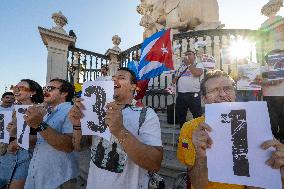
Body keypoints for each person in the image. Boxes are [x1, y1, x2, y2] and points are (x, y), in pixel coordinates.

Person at [177, 70, 284, 189]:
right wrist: (200, 156)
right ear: (204, 98)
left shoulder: (255, 125)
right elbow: (198, 184)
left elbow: (258, 182)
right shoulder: (190, 128)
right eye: (214, 90)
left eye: (227, 88)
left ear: (234, 94)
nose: (222, 94)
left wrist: (279, 169)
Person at [69, 67, 163, 189]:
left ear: (133, 86)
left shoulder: (146, 114)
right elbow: (79, 146)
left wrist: (120, 131)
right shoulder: (97, 110)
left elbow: (155, 163)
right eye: (113, 78)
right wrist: (77, 125)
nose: (114, 80)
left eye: (121, 78)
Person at [23, 79, 78, 189]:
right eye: (44, 89)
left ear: (64, 93)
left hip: (58, 180)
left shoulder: (72, 111)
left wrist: (40, 125)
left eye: (50, 89)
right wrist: (20, 138)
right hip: (38, 177)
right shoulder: (47, 113)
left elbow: (69, 145)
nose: (45, 91)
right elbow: (43, 140)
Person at [0, 79, 43, 189]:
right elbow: (7, 134)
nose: (16, 90)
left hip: (25, 158)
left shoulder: (40, 110)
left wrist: (16, 137)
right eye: (15, 87)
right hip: (6, 156)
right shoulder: (14, 110)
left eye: (21, 88)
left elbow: (41, 138)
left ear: (32, 92)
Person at [172, 49, 204, 127]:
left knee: (197, 115)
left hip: (193, 94)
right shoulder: (181, 67)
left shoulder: (198, 64)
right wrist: (175, 79)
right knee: (181, 116)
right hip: (181, 95)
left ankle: (198, 134)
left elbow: (197, 73)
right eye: (186, 54)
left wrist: (189, 64)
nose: (187, 56)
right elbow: (175, 79)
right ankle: (183, 135)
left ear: (194, 56)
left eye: (189, 54)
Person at [261, 49, 284, 143]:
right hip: (270, 100)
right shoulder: (264, 73)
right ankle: (272, 139)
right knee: (272, 122)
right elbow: (256, 83)